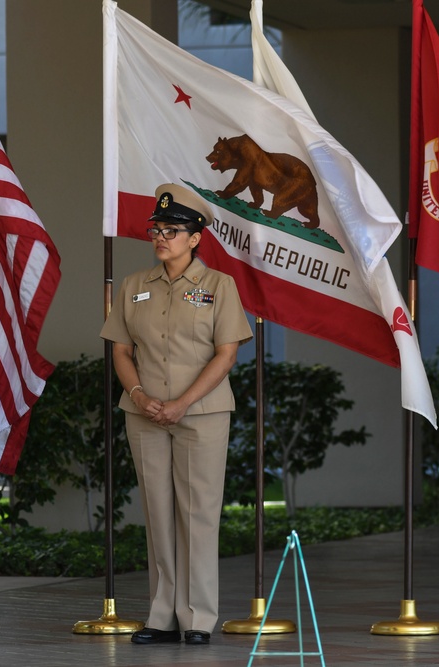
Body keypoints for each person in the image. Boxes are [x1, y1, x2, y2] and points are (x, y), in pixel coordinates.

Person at [100, 183, 252, 646]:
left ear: (196, 237)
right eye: (157, 229)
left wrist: (182, 403)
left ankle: (198, 617)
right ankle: (162, 613)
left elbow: (226, 354)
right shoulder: (132, 287)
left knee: (198, 514)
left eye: (173, 230)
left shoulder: (219, 286)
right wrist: (141, 395)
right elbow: (121, 352)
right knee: (158, 514)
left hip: (201, 414)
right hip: (143, 412)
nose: (161, 237)